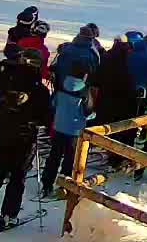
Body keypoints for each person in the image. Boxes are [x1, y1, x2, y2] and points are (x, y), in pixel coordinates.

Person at [0, 46, 49, 229]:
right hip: (24, 136)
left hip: (6, 131)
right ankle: (8, 214)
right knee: (18, 175)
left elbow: (1, 101)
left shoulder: (9, 81)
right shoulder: (38, 90)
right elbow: (46, 117)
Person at [39, 64, 92, 201]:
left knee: (54, 156)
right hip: (75, 130)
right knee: (70, 158)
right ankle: (64, 184)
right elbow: (87, 111)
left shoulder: (62, 85)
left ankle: (47, 183)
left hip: (58, 126)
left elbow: (53, 104)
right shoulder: (84, 91)